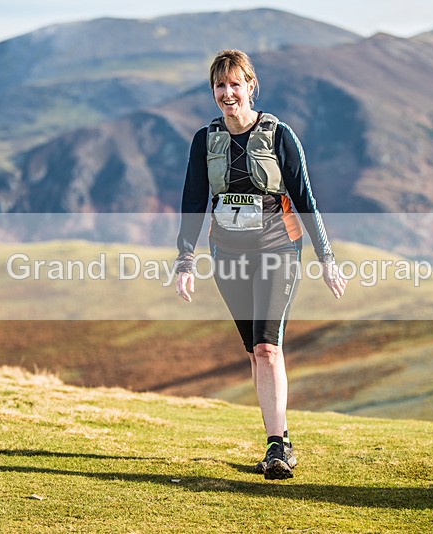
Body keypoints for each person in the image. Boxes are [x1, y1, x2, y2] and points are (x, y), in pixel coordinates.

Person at [174, 50, 347, 480]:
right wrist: (185, 260)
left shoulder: (279, 135)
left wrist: (327, 258)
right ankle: (279, 436)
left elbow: (305, 197)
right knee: (255, 350)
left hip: (277, 248)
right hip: (226, 254)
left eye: (235, 84)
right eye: (220, 85)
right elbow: (193, 201)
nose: (227, 93)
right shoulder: (205, 140)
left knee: (269, 347)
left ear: (251, 86)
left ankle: (276, 447)